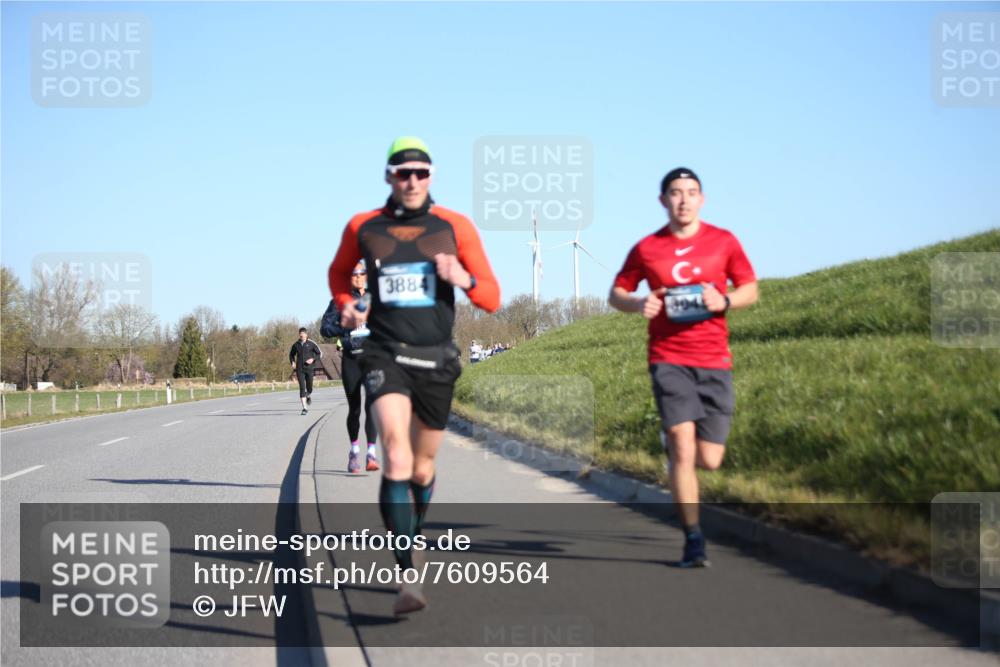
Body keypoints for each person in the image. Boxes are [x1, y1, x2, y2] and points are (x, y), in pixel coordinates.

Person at [328, 136, 500, 614]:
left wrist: (461, 278)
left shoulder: (454, 227)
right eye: (402, 172)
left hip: (437, 358)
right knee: (396, 456)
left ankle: (412, 530)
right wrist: (347, 305)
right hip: (385, 354)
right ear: (389, 176)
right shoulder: (364, 227)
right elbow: (339, 273)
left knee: (422, 468)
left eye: (420, 172)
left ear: (432, 176)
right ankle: (408, 576)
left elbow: (490, 295)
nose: (411, 180)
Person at [608, 167, 758, 568]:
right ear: (663, 201)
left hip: (714, 360)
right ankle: (694, 538)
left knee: (709, 459)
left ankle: (674, 445)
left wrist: (724, 301)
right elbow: (617, 292)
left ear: (702, 199)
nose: (684, 200)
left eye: (692, 192)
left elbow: (750, 289)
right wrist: (638, 303)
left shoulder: (723, 242)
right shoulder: (647, 248)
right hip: (667, 357)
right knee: (683, 446)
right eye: (676, 193)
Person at [322, 260, 380, 473]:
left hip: (373, 358)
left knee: (372, 406)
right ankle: (354, 451)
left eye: (361, 273)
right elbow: (325, 328)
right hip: (352, 359)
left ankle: (371, 454)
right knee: (354, 408)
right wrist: (342, 325)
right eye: (353, 273)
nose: (357, 276)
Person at [289, 327, 323, 415]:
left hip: (310, 369)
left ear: (306, 335)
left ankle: (308, 395)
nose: (302, 337)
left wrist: (313, 359)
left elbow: (320, 353)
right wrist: (292, 362)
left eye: (303, 335)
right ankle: (304, 408)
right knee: (302, 388)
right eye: (301, 335)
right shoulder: (296, 345)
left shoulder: (311, 343)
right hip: (300, 369)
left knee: (310, 388)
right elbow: (291, 355)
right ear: (299, 335)